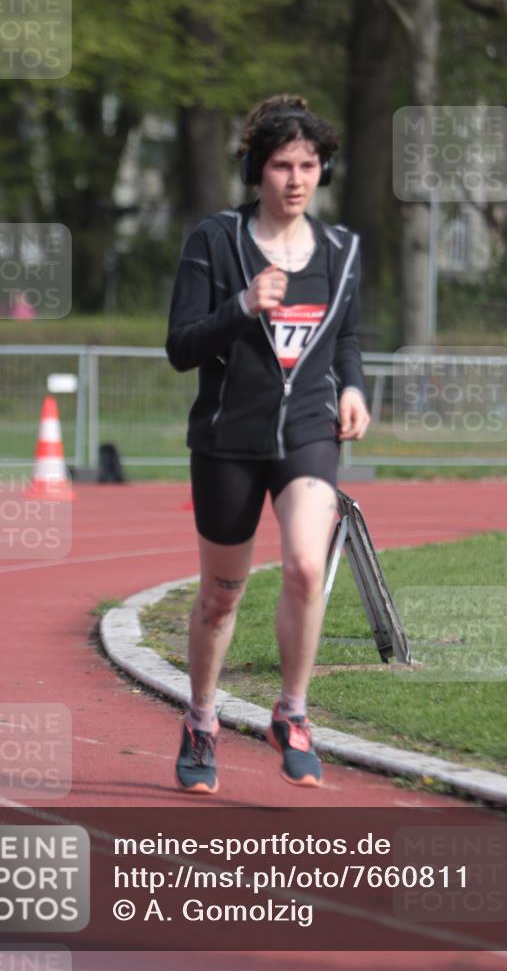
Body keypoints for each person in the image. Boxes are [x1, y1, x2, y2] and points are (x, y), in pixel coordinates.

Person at [166, 94, 370, 794]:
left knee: (307, 566)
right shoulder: (215, 242)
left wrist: (353, 387)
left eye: (308, 164)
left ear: (322, 170)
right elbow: (180, 348)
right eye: (281, 164)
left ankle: (292, 712)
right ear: (257, 170)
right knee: (221, 597)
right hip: (227, 439)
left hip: (306, 432)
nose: (295, 178)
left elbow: (346, 337)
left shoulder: (341, 251)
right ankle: (199, 719)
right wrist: (242, 306)